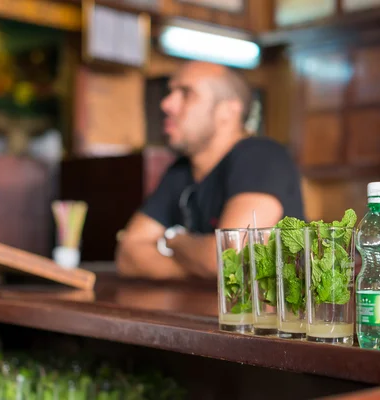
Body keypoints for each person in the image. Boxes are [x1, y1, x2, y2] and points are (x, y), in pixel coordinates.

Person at [115, 61, 304, 280]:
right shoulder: (181, 170)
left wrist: (174, 240)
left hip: (266, 314)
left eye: (186, 93)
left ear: (228, 111)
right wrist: (203, 265)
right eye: (171, 92)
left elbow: (228, 259)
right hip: (204, 311)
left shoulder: (261, 156)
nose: (166, 104)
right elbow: (127, 254)